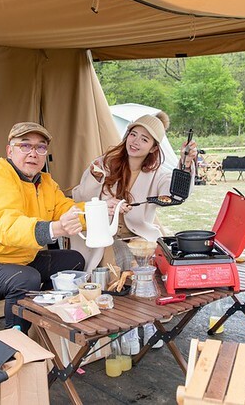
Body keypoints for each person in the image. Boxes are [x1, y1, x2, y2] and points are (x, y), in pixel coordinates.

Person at [70, 111, 197, 353]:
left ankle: (148, 322)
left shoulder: (157, 173)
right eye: (133, 134)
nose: (135, 142)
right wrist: (96, 180)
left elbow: (175, 194)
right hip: (103, 234)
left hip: (136, 235)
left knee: (146, 262)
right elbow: (80, 196)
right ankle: (127, 329)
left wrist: (186, 164)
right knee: (122, 260)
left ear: (153, 147)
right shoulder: (105, 163)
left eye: (144, 139)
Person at [0, 122, 86, 331]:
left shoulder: (45, 182)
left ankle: (45, 317)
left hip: (17, 259)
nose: (33, 153)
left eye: (40, 147)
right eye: (25, 145)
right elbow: (5, 226)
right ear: (10, 151)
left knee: (73, 261)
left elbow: (66, 209)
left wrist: (100, 211)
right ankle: (16, 342)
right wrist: (54, 229)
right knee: (26, 278)